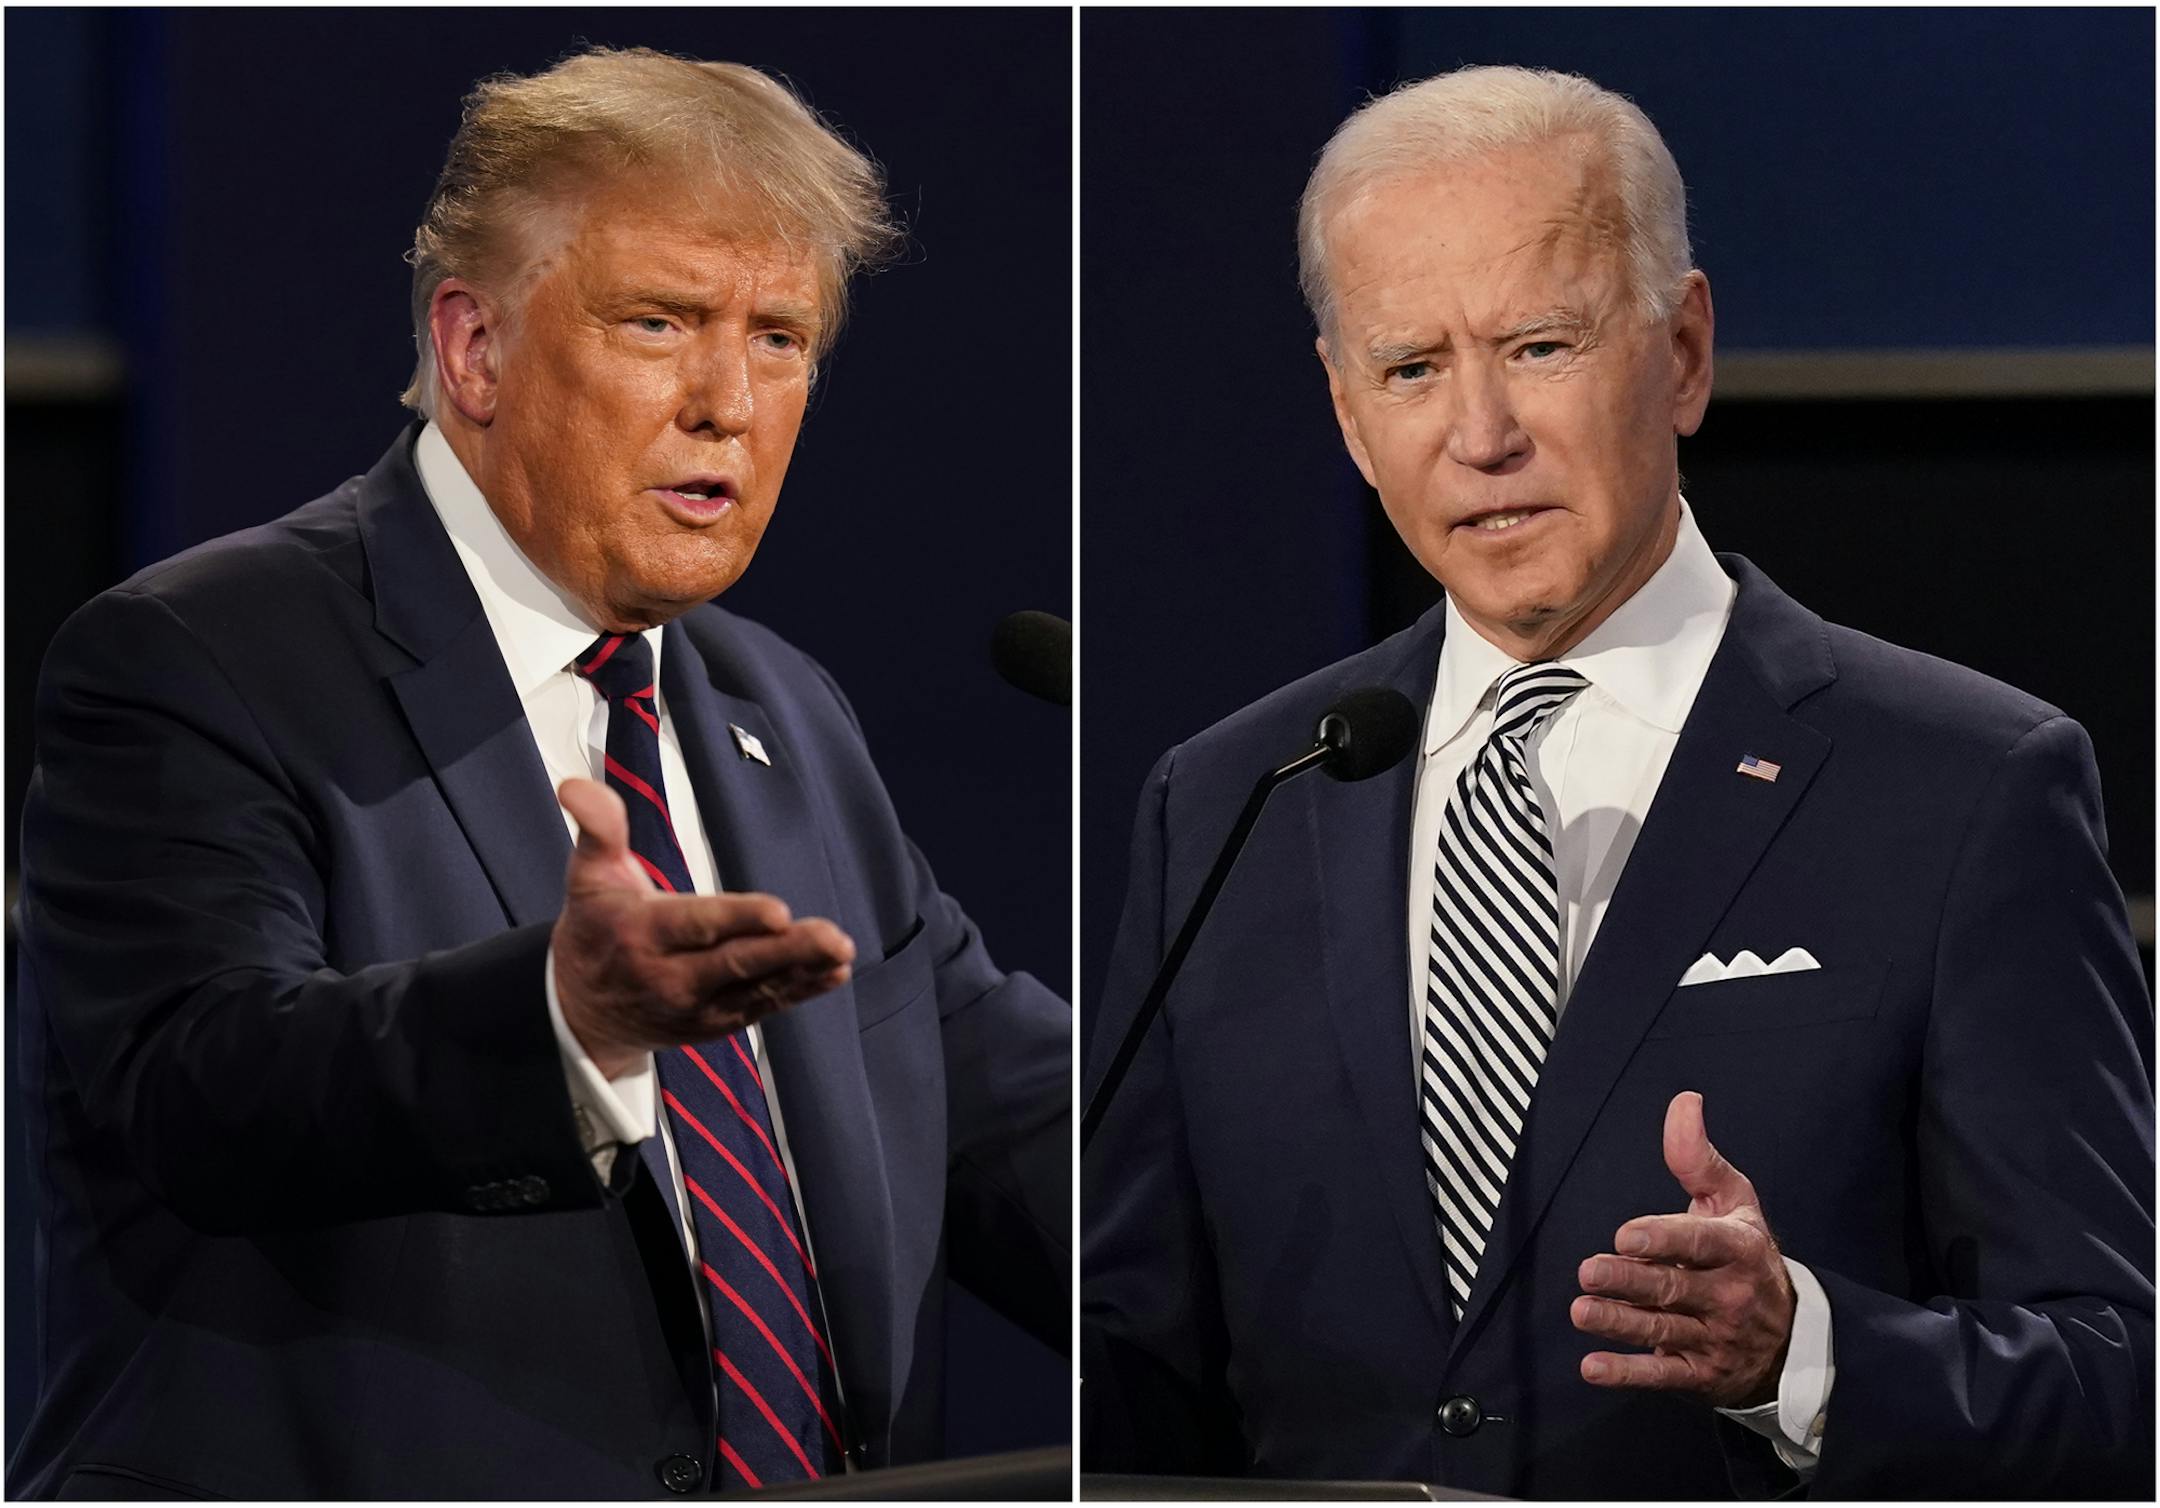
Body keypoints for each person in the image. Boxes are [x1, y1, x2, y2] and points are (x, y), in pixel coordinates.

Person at [1082, 65, 2152, 1498]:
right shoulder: (1233, 797)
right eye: (1411, 368)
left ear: (1685, 351)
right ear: (1347, 415)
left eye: (1539, 345)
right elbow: (1136, 1362)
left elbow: (2116, 1377)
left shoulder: (1968, 788)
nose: (1479, 435)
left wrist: (1804, 1354)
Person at [13, 47, 1068, 1500]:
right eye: (661, 322)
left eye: (780, 337)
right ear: (476, 349)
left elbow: (1014, 1126)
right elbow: (204, 1086)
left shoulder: (781, 709)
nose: (729, 402)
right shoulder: (197, 659)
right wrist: (564, 1021)